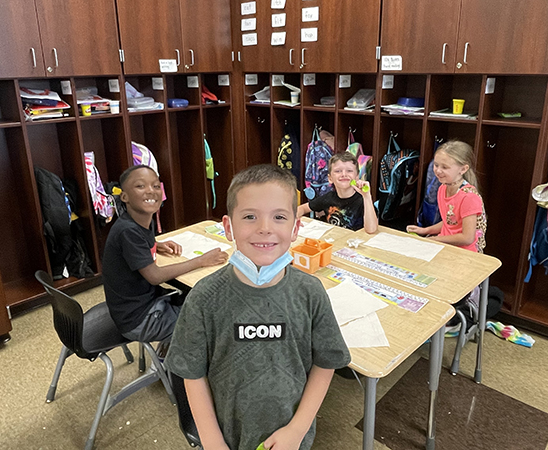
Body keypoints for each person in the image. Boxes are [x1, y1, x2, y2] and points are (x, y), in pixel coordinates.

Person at [165, 165, 350, 450]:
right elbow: (192, 373)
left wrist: (297, 430)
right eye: (250, 216)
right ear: (228, 227)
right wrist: (214, 443)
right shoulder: (204, 297)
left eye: (279, 217)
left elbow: (326, 362)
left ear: (295, 228)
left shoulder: (310, 292)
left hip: (291, 438)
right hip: (227, 436)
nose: (265, 227)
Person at [102, 165, 228, 348]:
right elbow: (155, 276)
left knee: (201, 299)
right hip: (141, 319)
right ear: (124, 197)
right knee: (215, 318)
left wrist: (155, 245)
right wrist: (201, 260)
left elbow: (138, 246)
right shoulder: (128, 231)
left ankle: (171, 350)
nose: (150, 191)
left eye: (155, 186)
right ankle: (178, 366)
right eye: (140, 186)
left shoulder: (141, 220)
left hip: (141, 305)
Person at [406, 140, 485, 253]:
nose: (438, 170)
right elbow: (450, 221)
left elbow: (467, 238)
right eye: (436, 165)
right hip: (445, 247)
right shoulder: (442, 188)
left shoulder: (469, 197)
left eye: (445, 167)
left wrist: (436, 239)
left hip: (464, 253)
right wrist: (425, 230)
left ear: (463, 169)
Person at [297, 152, 378, 233]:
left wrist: (367, 197)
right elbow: (302, 208)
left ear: (357, 176)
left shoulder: (363, 201)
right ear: (330, 178)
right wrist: (294, 219)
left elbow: (371, 230)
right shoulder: (328, 198)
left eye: (349, 171)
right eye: (338, 171)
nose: (343, 174)